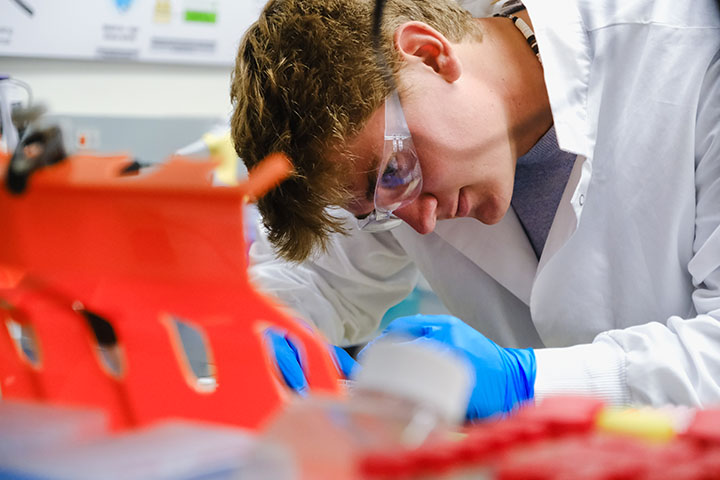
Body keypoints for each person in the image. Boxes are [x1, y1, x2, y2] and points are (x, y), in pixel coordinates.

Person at [230, 0, 720, 420]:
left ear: (429, 55)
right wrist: (268, 328)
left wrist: (528, 383)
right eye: (379, 210)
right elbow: (314, 279)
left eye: (396, 172)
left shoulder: (692, 58)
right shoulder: (390, 150)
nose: (419, 222)